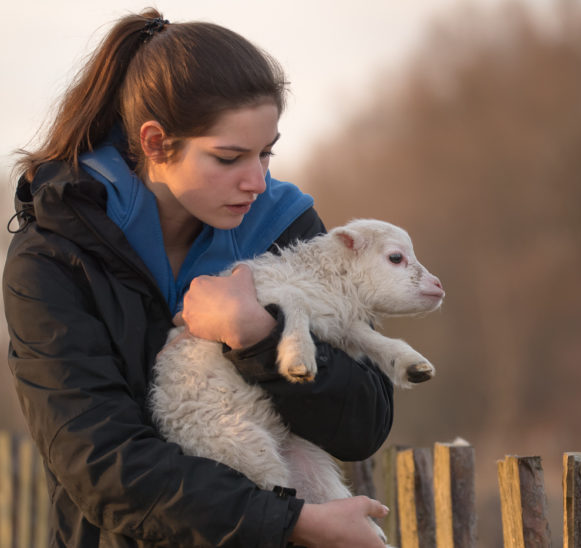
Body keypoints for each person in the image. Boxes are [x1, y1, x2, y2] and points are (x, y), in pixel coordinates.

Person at [3, 8, 393, 548]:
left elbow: (364, 422)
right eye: (230, 157)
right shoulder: (54, 255)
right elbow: (97, 462)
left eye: (266, 152)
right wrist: (292, 522)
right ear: (157, 142)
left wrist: (260, 337)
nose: (257, 181)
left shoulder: (290, 228)